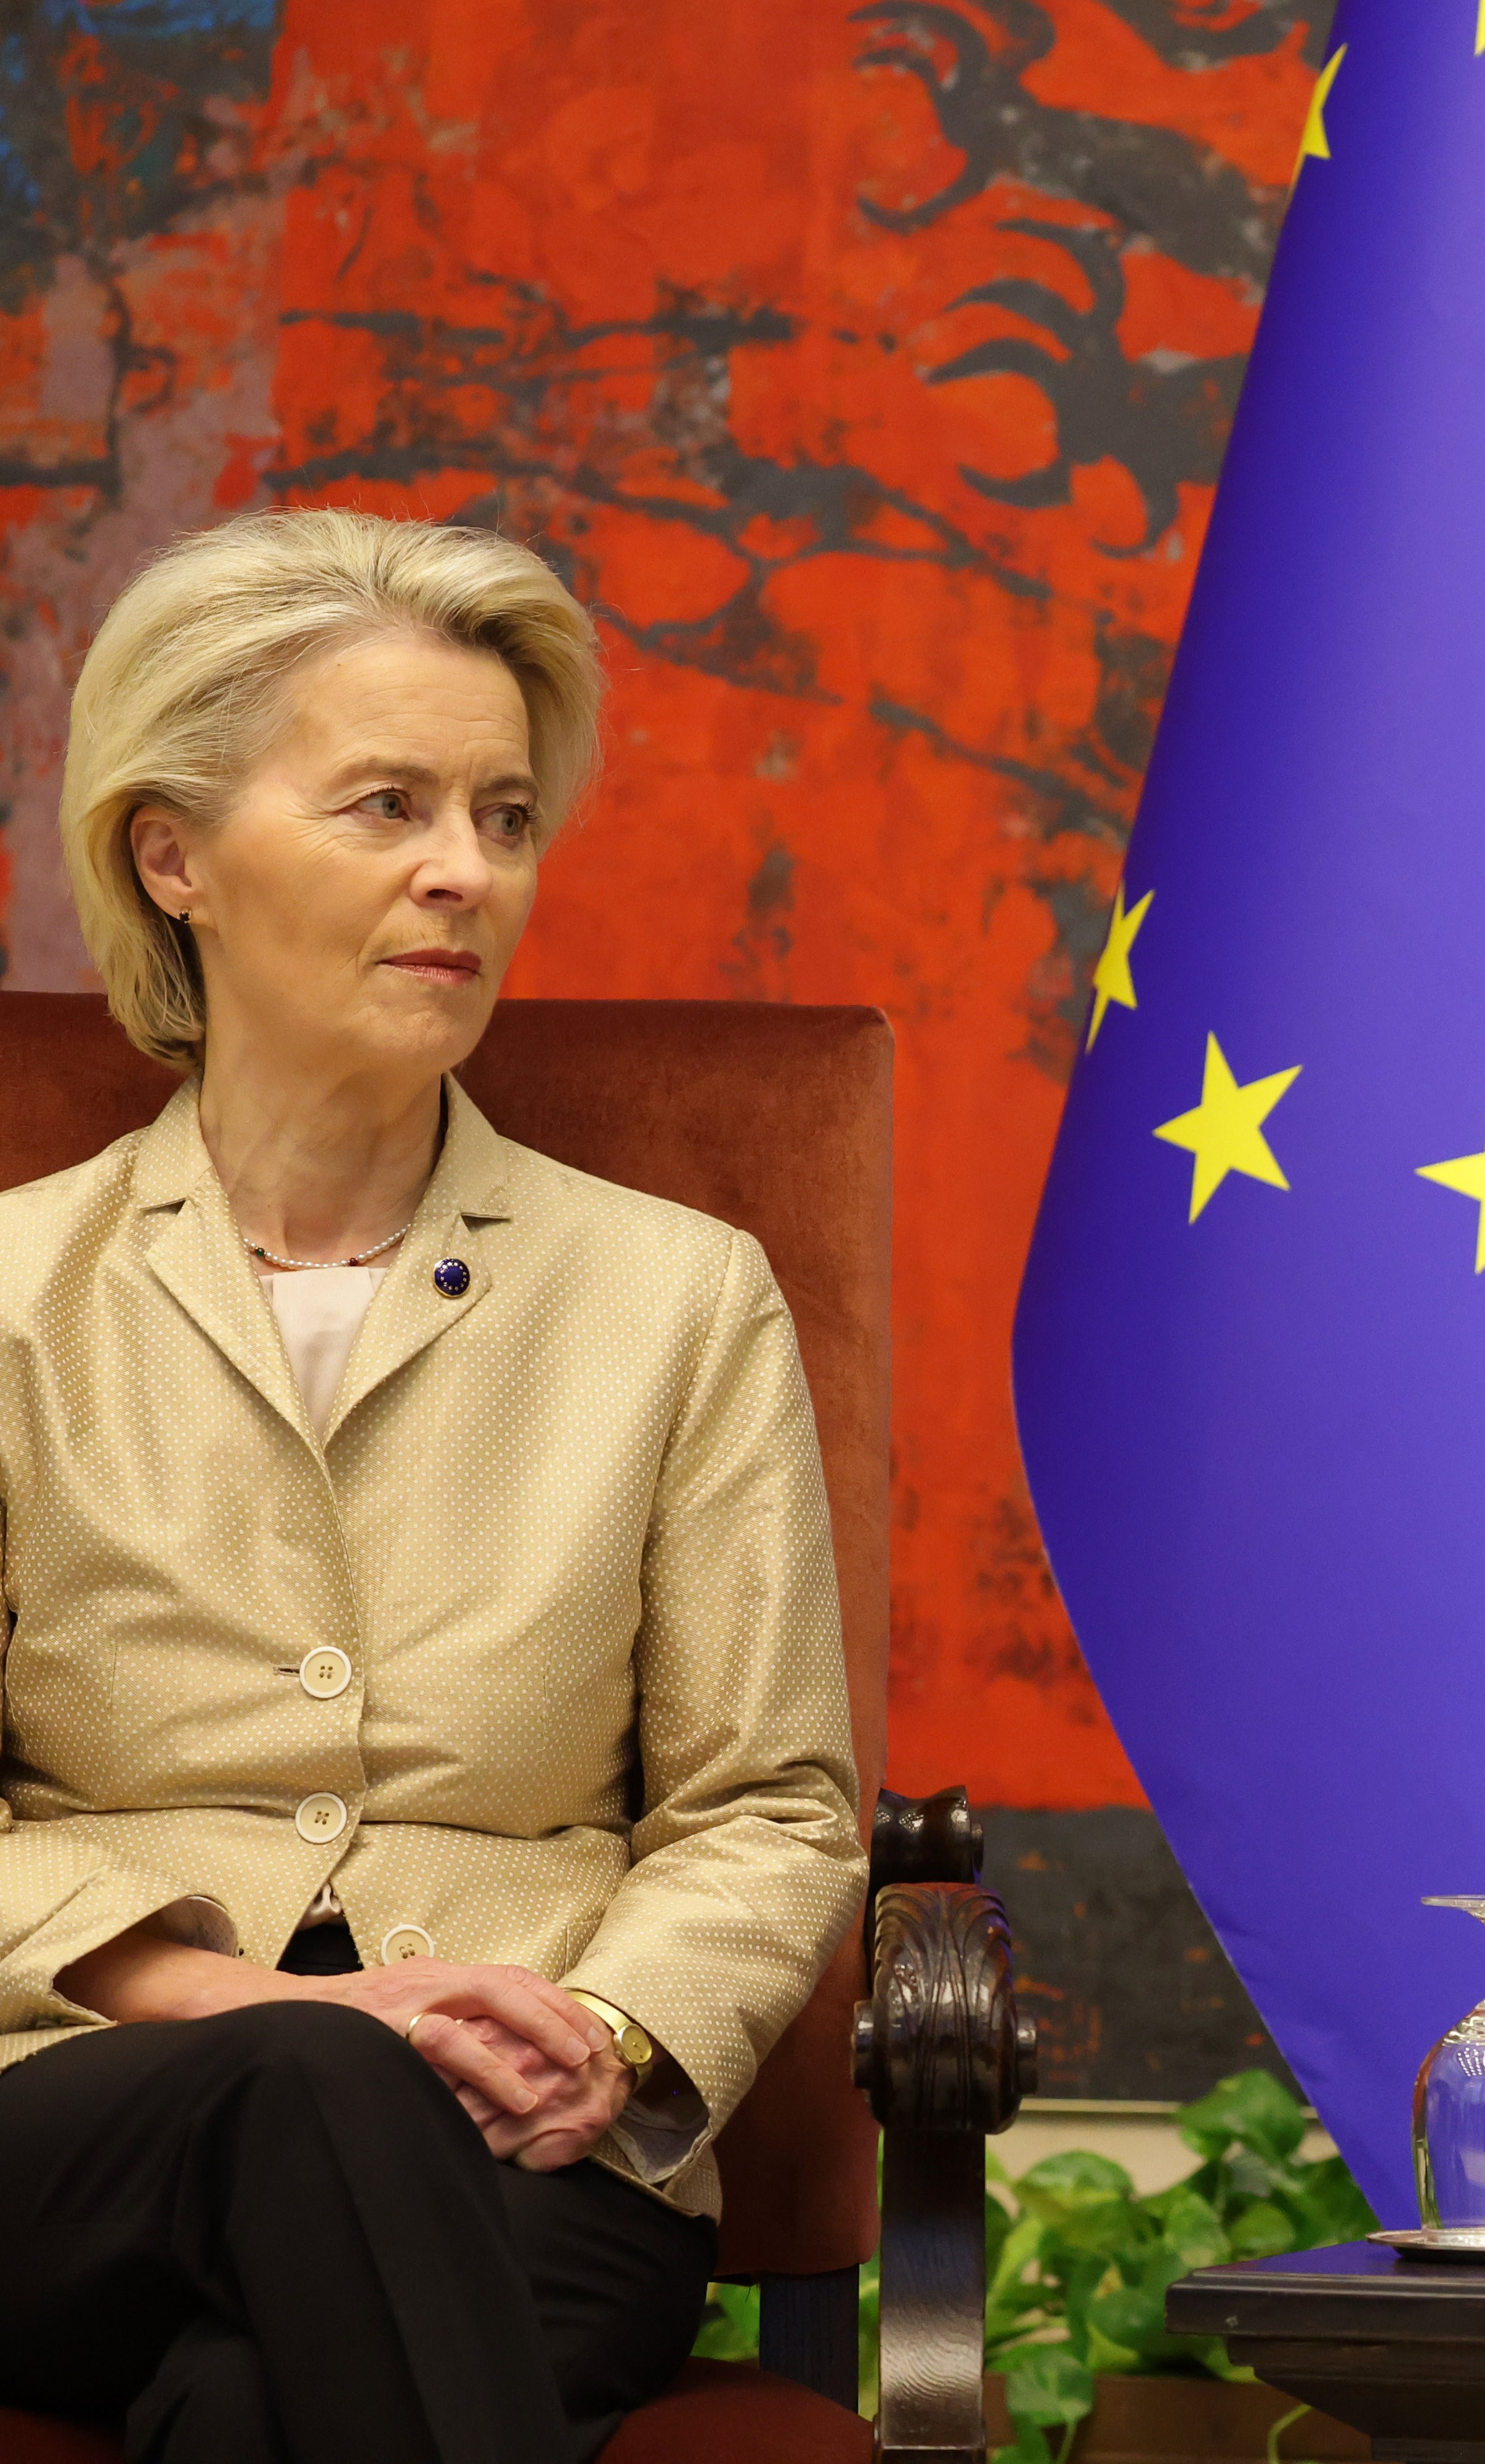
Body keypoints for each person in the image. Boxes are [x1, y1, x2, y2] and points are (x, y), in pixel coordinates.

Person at [0, 508, 864, 2462]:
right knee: (306, 2092)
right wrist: (248, 2004)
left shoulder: (674, 1296)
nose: (464, 874)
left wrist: (615, 2048)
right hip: (74, 2110)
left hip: (532, 2152)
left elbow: (771, 1803)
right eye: (386, 806)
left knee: (245, 2403)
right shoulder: (6, 1299)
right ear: (174, 855)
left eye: (500, 814)